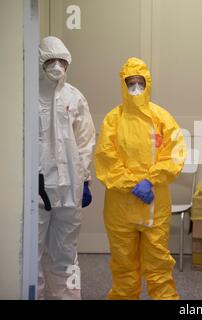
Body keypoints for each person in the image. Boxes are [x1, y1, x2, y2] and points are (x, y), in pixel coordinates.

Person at [94, 57, 186, 300]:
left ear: (148, 83)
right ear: (123, 85)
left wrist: (150, 179)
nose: (136, 88)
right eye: (130, 83)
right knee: (124, 267)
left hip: (154, 204)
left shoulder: (161, 118)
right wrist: (131, 183)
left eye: (140, 82)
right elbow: (105, 158)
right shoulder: (113, 119)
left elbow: (175, 154)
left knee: (158, 266)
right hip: (120, 206)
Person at [38, 36, 96, 300]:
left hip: (69, 191)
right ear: (40, 61)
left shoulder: (74, 96)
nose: (56, 66)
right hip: (36, 193)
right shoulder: (26, 96)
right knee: (31, 253)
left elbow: (85, 141)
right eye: (50, 60)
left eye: (61, 60)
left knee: (67, 252)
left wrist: (85, 179)